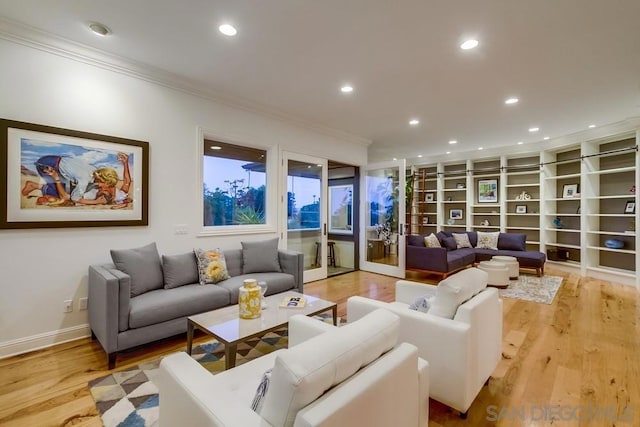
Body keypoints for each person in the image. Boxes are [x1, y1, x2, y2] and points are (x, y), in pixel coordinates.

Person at [22, 155, 96, 205]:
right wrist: (96, 202)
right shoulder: (84, 179)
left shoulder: (94, 171)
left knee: (63, 190)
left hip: (52, 162)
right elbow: (72, 198)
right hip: (46, 166)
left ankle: (36, 186)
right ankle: (32, 185)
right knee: (61, 195)